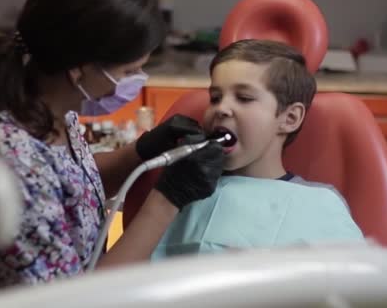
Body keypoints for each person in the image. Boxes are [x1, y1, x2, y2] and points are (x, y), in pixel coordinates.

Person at [0, 0, 223, 288]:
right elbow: (74, 298)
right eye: (129, 71)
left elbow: (69, 188)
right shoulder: (9, 159)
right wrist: (167, 199)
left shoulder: (53, 110)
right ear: (79, 70)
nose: (135, 82)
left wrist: (140, 152)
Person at [152, 39, 363, 260]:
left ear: (290, 118)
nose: (221, 108)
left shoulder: (320, 204)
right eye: (215, 98)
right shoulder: (184, 189)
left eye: (243, 98)